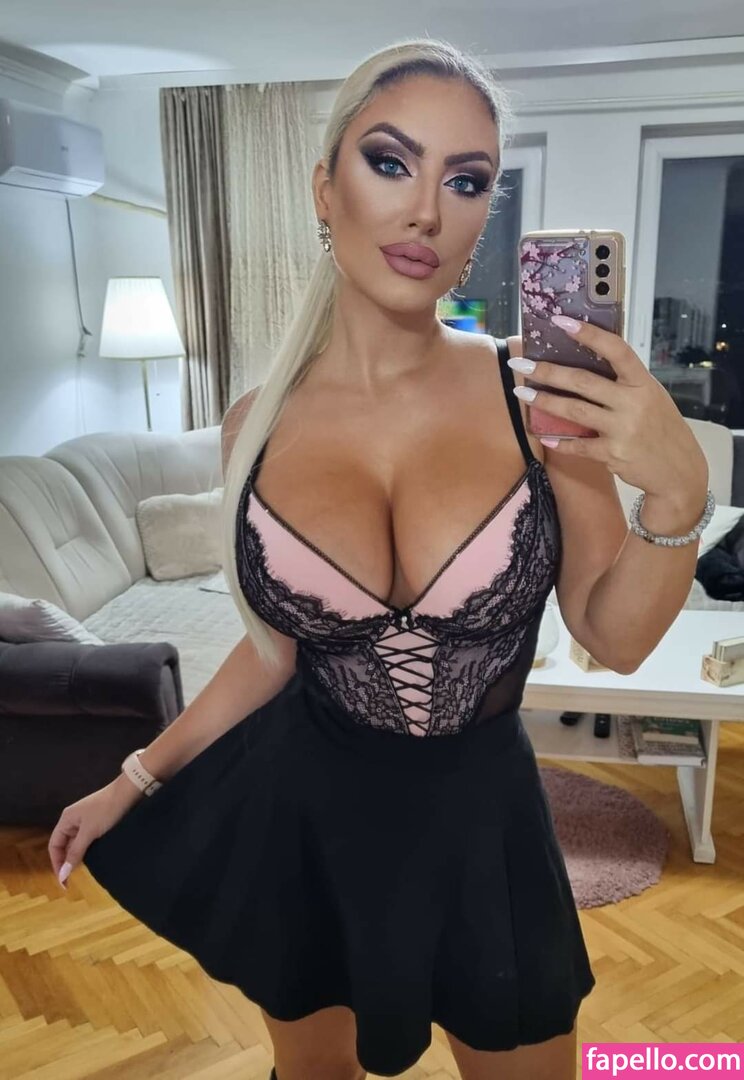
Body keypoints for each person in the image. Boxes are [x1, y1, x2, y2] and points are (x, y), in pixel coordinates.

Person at [49, 37, 712, 1080]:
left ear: (485, 215)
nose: (427, 212)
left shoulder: (534, 401)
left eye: (467, 181)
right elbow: (273, 653)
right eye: (391, 162)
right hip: (306, 820)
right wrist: (134, 775)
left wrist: (678, 494)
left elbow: (616, 639)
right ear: (327, 188)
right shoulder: (254, 425)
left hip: (484, 825)